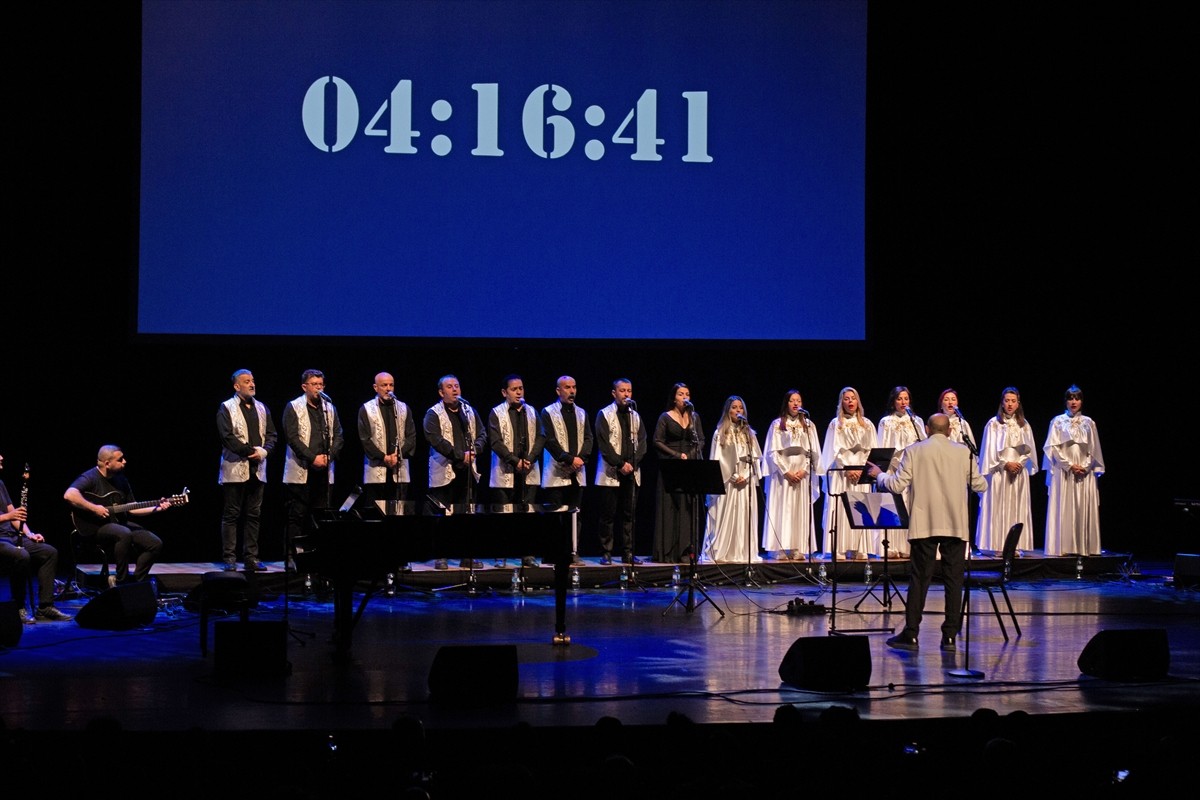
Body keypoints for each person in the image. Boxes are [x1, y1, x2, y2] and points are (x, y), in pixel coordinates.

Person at [866, 413, 988, 652]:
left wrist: (878, 475)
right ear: (949, 431)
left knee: (920, 580)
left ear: (928, 430)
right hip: (955, 525)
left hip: (925, 525)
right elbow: (980, 485)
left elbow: (896, 485)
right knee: (954, 580)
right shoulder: (963, 452)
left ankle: (911, 634)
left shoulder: (915, 450)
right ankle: (949, 636)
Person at [64, 445, 167, 584]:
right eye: (120, 459)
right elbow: (69, 495)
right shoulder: (90, 477)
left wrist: (157, 508)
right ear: (107, 463)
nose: (125, 461)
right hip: (94, 527)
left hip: (118, 523)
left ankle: (137, 581)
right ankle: (120, 580)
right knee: (124, 533)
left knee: (154, 543)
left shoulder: (121, 479)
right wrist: (94, 508)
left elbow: (132, 508)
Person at [282, 369, 344, 569]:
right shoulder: (293, 407)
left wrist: (329, 456)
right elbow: (292, 438)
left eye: (321, 384)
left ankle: (318, 555)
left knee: (321, 515)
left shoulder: (329, 408)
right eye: (314, 384)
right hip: (301, 469)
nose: (319, 388)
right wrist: (312, 458)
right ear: (304, 387)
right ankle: (292, 556)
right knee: (297, 515)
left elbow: (339, 435)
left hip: (324, 470)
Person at [424, 374, 488, 569]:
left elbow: (482, 434)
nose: (455, 390)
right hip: (444, 471)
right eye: (450, 387)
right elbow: (435, 439)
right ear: (441, 392)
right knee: (442, 516)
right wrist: (460, 455)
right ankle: (441, 555)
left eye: (457, 386)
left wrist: (475, 450)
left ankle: (466, 555)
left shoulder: (469, 410)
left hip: (467, 472)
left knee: (466, 515)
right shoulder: (433, 413)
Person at [216, 369, 277, 572]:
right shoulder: (227, 407)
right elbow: (227, 437)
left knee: (254, 515)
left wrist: (264, 452)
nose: (252, 384)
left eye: (253, 380)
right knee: (232, 514)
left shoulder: (262, 407)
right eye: (247, 381)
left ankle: (251, 558)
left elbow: (272, 435)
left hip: (258, 468)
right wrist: (251, 452)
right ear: (237, 386)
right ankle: (230, 558)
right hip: (235, 468)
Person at [1, 454, 71, 623]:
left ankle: (45, 607)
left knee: (49, 552)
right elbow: (10, 515)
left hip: (11, 536)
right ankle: (19, 606)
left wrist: (29, 534)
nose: (2, 457)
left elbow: (15, 515)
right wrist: (8, 516)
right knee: (21, 556)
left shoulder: (0, 484)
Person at [488, 374, 545, 566]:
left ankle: (527, 554)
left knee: (527, 516)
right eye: (514, 389)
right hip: (504, 472)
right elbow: (495, 442)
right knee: (503, 516)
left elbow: (541, 436)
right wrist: (514, 461)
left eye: (521, 388)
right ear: (504, 392)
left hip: (528, 470)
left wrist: (530, 458)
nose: (519, 392)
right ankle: (501, 554)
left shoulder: (531, 411)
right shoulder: (496, 413)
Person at [760, 390, 824, 560]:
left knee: (799, 510)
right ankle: (779, 548)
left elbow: (813, 452)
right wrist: (786, 471)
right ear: (786, 403)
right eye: (792, 400)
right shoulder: (777, 425)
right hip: (783, 475)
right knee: (782, 509)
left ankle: (797, 547)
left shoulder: (808, 425)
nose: (796, 404)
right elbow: (772, 452)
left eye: (798, 401)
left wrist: (804, 470)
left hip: (801, 474)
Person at [1042, 385, 1105, 556]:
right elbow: (1053, 448)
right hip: (1064, 472)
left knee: (1081, 507)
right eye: (1070, 398)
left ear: (1081, 401)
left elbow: (1094, 449)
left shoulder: (1089, 423)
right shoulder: (1057, 422)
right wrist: (1069, 465)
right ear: (1066, 401)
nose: (1074, 402)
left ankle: (1083, 547)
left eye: (1077, 398)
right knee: (1064, 508)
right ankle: (1062, 546)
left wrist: (1085, 466)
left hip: (1084, 472)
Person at [700, 396, 762, 564]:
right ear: (728, 410)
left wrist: (746, 475)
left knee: (744, 516)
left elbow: (755, 459)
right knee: (725, 516)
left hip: (745, 481)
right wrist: (733, 476)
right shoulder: (720, 433)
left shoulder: (749, 434)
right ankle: (723, 552)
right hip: (728, 482)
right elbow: (717, 460)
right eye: (734, 407)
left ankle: (742, 552)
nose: (737, 410)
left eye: (740, 408)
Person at [975, 387, 1037, 554]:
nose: (1010, 404)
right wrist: (1005, 464)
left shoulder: (1024, 425)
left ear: (1018, 403)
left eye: (1013, 401)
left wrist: (1019, 463)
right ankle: (996, 545)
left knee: (1016, 507)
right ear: (1002, 403)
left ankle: (1014, 545)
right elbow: (989, 450)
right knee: (998, 507)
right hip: (999, 472)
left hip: (1018, 472)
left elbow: (1029, 450)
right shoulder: (993, 424)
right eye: (1007, 401)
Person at [539, 375, 592, 565]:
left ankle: (573, 552)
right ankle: (552, 554)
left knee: (575, 516)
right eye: (567, 387)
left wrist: (580, 459)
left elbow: (588, 438)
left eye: (574, 387)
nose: (572, 391)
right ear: (558, 390)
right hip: (556, 473)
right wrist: (569, 459)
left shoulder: (582, 413)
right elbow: (549, 440)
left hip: (577, 472)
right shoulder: (548, 412)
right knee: (555, 517)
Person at [821, 387, 878, 560]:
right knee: (841, 508)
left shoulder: (867, 424)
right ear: (841, 402)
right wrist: (846, 468)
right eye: (846, 398)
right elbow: (833, 450)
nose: (850, 401)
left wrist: (861, 469)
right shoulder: (836, 424)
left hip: (861, 473)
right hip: (841, 473)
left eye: (853, 398)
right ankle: (838, 547)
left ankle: (858, 548)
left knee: (860, 508)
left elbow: (872, 450)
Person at [594, 378, 647, 565]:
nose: (626, 394)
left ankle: (628, 552)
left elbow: (643, 442)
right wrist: (620, 464)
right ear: (614, 393)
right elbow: (604, 445)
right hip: (611, 472)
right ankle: (606, 552)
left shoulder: (635, 416)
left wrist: (633, 463)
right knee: (607, 515)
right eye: (622, 390)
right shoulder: (604, 414)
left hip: (632, 472)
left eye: (629, 391)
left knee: (629, 515)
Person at [652, 382, 706, 563]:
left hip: (689, 465)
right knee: (670, 506)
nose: (685, 397)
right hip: (670, 465)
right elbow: (657, 441)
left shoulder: (694, 417)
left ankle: (686, 551)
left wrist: (689, 456)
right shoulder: (665, 417)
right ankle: (668, 551)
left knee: (687, 507)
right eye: (681, 394)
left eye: (687, 394)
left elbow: (701, 440)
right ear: (674, 398)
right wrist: (676, 455)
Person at [358, 371, 416, 514]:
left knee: (399, 511)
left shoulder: (403, 408)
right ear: (375, 387)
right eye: (384, 385)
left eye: (391, 385)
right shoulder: (366, 409)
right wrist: (383, 457)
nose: (388, 389)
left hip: (399, 468)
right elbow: (365, 439)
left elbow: (411, 436)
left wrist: (398, 455)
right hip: (376, 469)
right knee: (375, 512)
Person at [876, 386, 924, 558]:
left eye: (906, 398)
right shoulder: (886, 422)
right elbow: (882, 447)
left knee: (910, 506)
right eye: (899, 398)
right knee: (893, 506)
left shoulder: (916, 421)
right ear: (893, 401)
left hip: (913, 471)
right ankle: (890, 546)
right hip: (893, 469)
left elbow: (923, 445)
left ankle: (908, 546)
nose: (903, 402)